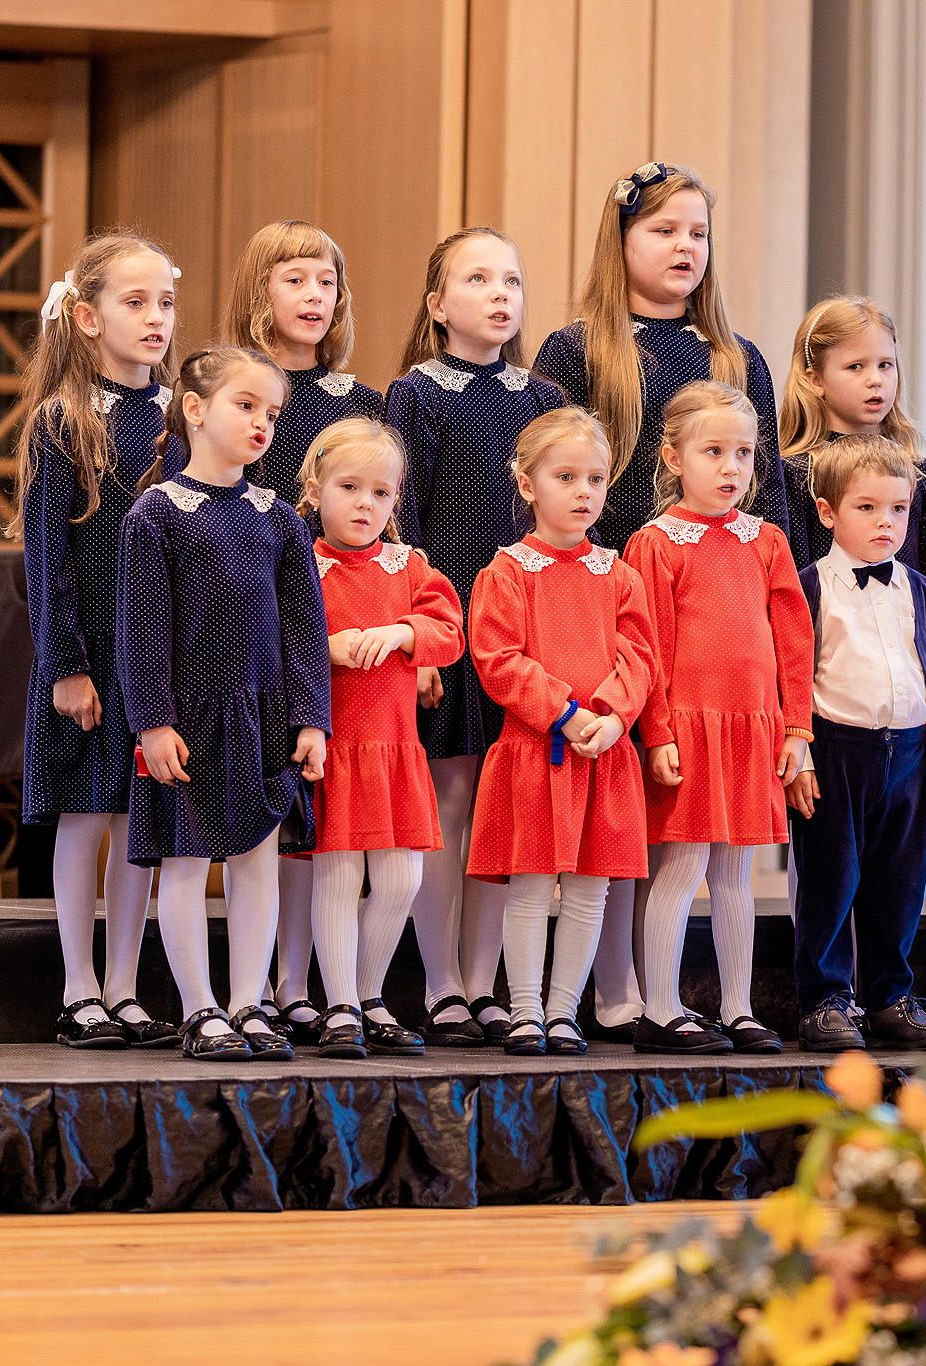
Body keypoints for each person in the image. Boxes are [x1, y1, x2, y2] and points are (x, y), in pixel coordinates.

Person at [535, 162, 790, 1043]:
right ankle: (617, 992)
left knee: (697, 843)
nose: (686, 247)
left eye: (699, 233)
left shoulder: (735, 357)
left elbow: (769, 496)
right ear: (622, 239)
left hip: (715, 608)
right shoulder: (576, 349)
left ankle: (687, 997)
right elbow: (554, 467)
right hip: (600, 596)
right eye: (664, 230)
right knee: (616, 815)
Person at [172, 220, 385, 1043]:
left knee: (296, 836)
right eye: (294, 279)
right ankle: (230, 997)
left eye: (326, 281)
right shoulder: (212, 438)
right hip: (219, 670)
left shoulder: (356, 407)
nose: (314, 295)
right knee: (216, 848)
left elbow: (363, 539)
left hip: (307, 666)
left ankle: (287, 990)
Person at [117, 347, 330, 1060]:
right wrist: (153, 723)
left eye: (272, 411)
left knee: (257, 863)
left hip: (262, 717)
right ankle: (199, 1008)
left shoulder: (280, 518)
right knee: (184, 862)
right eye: (245, 405)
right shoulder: (156, 514)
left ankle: (248, 1003)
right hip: (188, 719)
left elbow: (305, 628)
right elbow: (142, 628)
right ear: (195, 409)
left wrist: (311, 718)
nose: (262, 421)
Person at [387, 226, 566, 1048]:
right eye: (479, 280)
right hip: (450, 625)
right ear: (437, 305)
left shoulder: (541, 398)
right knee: (449, 805)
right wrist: (426, 637)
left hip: (520, 633)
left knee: (505, 810)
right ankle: (442, 984)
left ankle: (487, 980)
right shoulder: (417, 395)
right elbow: (405, 524)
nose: (501, 294)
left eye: (512, 281)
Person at [12, 231, 182, 1050]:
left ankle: (124, 985)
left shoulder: (181, 418)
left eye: (166, 303)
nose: (156, 318)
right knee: (86, 816)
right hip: (89, 654)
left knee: (140, 818)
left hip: (155, 661)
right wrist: (66, 664)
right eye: (135, 302)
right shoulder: (62, 420)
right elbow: (47, 559)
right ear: (86, 317)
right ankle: (78, 985)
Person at [625, 380, 814, 1054]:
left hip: (753, 728)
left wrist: (797, 728)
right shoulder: (656, 544)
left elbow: (794, 640)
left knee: (737, 874)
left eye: (744, 453)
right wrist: (658, 733)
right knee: (680, 868)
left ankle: (738, 1007)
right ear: (673, 458)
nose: (732, 468)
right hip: (689, 730)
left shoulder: (766, 541)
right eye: (714, 452)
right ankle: (660, 1008)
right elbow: (646, 647)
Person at [467, 408, 657, 1055]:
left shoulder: (619, 574)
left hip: (601, 754)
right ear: (528, 484)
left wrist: (613, 716)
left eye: (595, 479)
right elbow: (498, 658)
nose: (583, 492)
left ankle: (563, 1012)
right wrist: (567, 714)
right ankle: (525, 1009)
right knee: (528, 888)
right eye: (566, 477)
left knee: (588, 891)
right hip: (536, 752)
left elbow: (640, 656)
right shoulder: (507, 573)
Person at [784, 434, 926, 1052]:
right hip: (837, 753)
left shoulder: (921, 591)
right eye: (866, 508)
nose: (885, 522)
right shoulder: (811, 589)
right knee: (831, 881)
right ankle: (825, 1001)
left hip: (911, 752)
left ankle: (890, 998)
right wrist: (801, 759)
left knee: (900, 883)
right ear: (827, 511)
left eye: (898, 508)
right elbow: (794, 679)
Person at [297, 418, 464, 1058]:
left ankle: (369, 996)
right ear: (315, 491)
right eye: (349, 488)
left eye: (381, 492)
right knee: (339, 880)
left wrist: (403, 634)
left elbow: (450, 631)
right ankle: (342, 1004)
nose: (365, 504)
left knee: (400, 881)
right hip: (334, 749)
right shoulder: (302, 565)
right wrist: (327, 648)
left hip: (394, 752)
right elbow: (274, 641)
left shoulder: (408, 566)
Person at [779, 296, 926, 573]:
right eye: (855, 367)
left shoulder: (925, 477)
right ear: (815, 380)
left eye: (885, 365)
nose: (876, 380)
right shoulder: (794, 477)